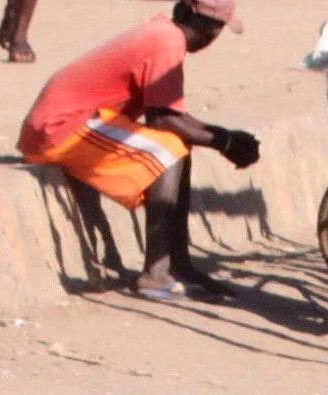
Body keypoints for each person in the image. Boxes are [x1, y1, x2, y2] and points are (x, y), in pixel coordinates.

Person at [17, 0, 258, 302]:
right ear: (206, 27)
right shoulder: (167, 41)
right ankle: (155, 275)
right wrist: (224, 142)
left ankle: (177, 264)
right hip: (58, 129)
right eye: (217, 28)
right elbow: (164, 120)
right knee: (169, 150)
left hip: (74, 122)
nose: (216, 37)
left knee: (177, 146)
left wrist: (224, 138)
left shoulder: (162, 34)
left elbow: (168, 116)